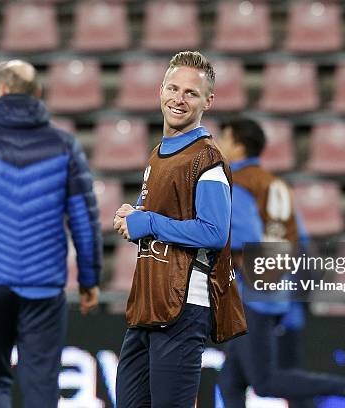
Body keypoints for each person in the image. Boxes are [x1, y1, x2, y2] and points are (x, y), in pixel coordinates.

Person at [0, 60, 102, 408]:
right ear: (38, 93)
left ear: (0, 90)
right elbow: (84, 218)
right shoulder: (65, 145)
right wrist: (89, 279)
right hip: (44, 286)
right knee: (42, 383)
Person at [112, 51, 247, 408]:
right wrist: (136, 217)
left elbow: (214, 232)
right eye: (173, 88)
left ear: (208, 101)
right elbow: (169, 216)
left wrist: (149, 222)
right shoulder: (160, 152)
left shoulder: (206, 158)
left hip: (183, 307)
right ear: (160, 90)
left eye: (191, 93)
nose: (179, 98)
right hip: (148, 301)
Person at [217, 118, 345, 408]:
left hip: (250, 291)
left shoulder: (236, 184)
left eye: (224, 139)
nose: (219, 145)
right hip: (274, 288)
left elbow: (243, 238)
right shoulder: (276, 185)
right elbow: (299, 239)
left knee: (264, 383)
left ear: (238, 146)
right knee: (230, 382)